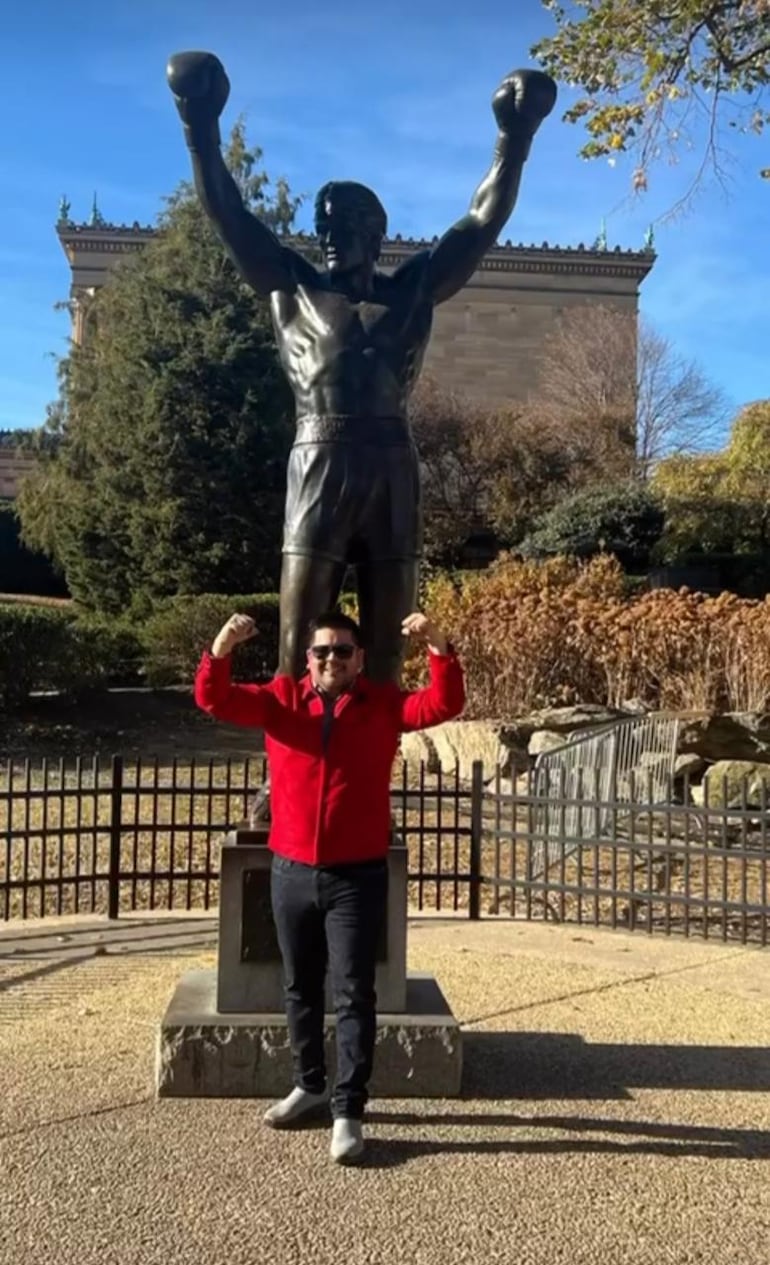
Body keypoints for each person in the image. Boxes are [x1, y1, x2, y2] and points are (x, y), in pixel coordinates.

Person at [168, 50, 556, 684]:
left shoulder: (411, 291)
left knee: (385, 645)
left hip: (391, 466)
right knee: (301, 640)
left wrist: (514, 138)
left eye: (343, 225)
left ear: (376, 234)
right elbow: (229, 215)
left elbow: (483, 219)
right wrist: (199, 124)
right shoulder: (291, 289)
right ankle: (290, 769)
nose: (327, 235)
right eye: (322, 224)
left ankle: (372, 769)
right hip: (318, 456)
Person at [194, 608, 465, 1164]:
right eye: (322, 652)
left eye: (343, 651)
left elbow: (442, 704)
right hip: (291, 870)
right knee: (298, 988)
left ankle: (348, 1108)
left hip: (356, 873)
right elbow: (214, 700)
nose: (332, 660)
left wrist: (440, 648)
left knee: (353, 994)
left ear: (359, 658)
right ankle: (309, 1082)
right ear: (308, 659)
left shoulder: (383, 705)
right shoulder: (279, 700)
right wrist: (221, 649)